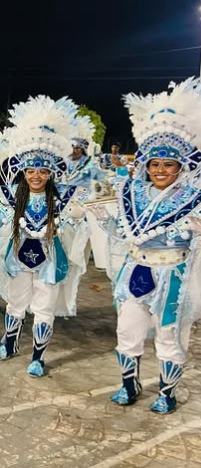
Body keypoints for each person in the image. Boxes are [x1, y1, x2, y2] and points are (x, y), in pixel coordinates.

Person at [91, 78, 201, 414]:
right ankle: (129, 385)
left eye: (168, 164)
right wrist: (101, 216)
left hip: (174, 275)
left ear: (180, 166)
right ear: (147, 165)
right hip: (136, 270)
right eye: (155, 164)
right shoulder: (132, 193)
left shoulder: (193, 196)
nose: (161, 170)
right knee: (127, 331)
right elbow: (123, 232)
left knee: (169, 336)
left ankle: (166, 393)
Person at [0, 96, 88, 378]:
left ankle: (38, 357)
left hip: (50, 261)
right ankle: (10, 342)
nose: (36, 176)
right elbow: (1, 226)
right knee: (16, 303)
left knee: (43, 309)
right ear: (23, 172)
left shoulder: (64, 197)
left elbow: (75, 229)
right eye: (30, 171)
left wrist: (78, 220)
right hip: (18, 257)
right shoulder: (12, 195)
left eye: (42, 171)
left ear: (50, 172)